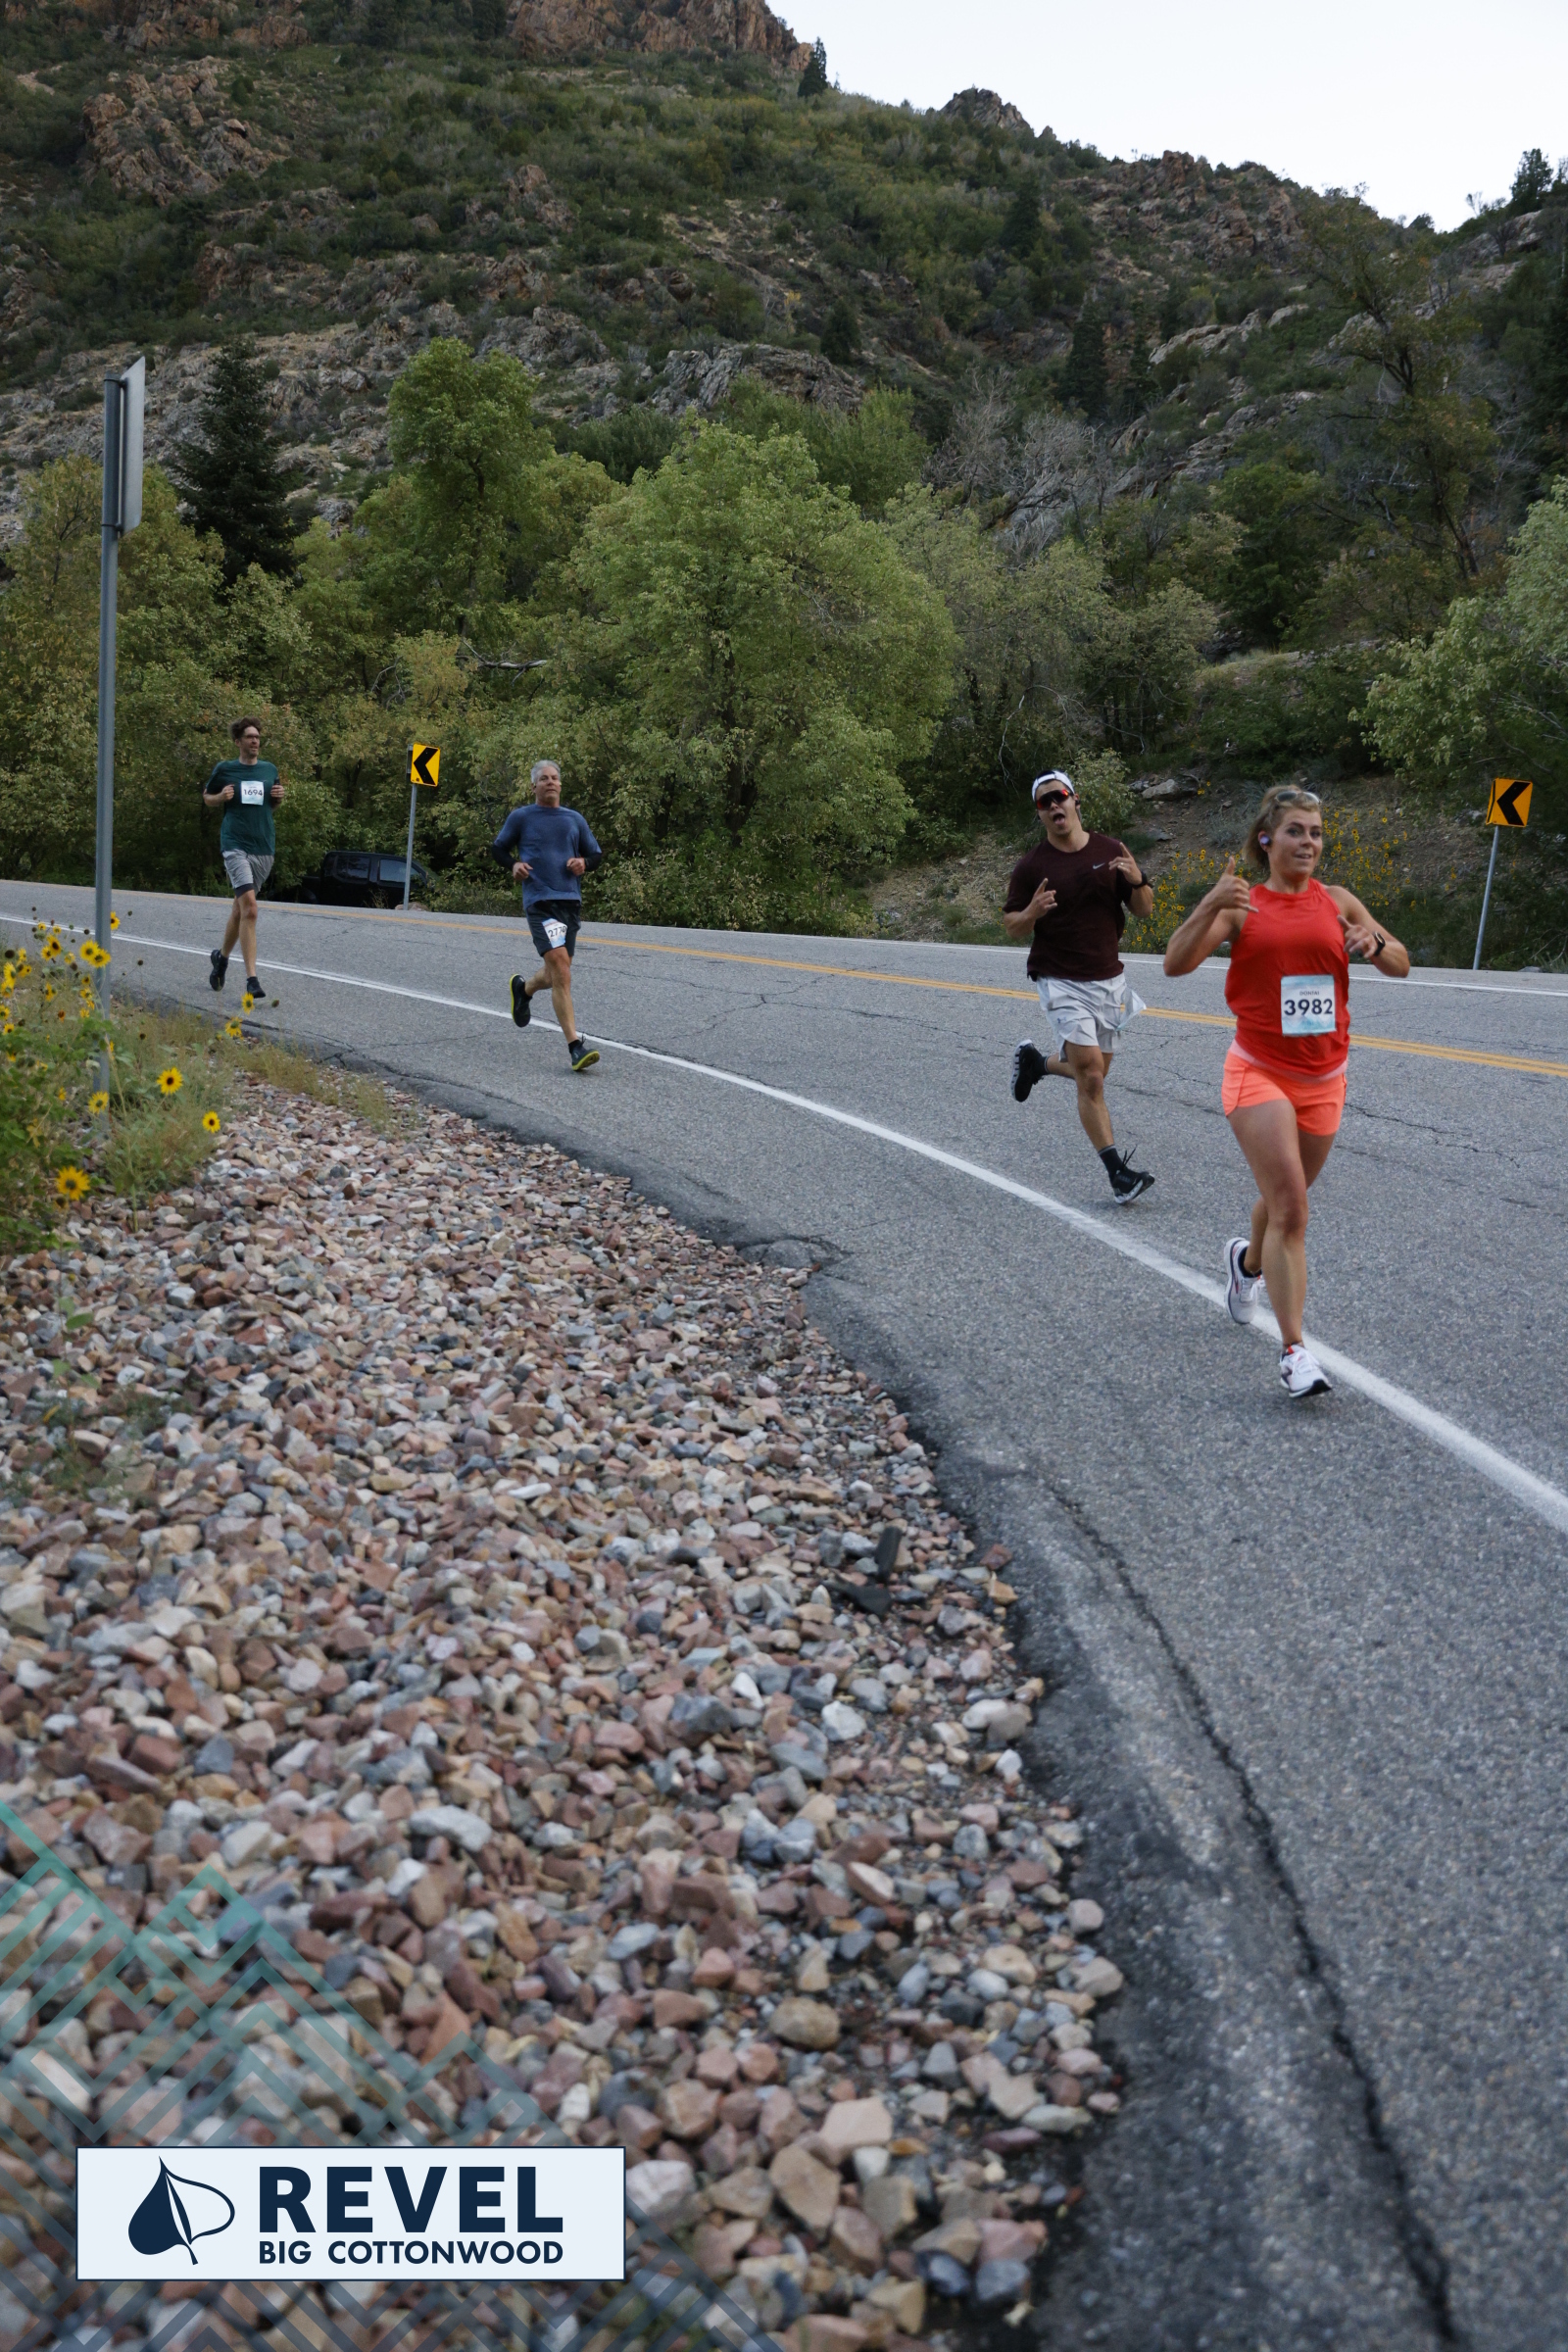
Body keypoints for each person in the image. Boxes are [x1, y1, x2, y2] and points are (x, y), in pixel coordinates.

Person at [1162, 784, 1410, 1398]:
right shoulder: (1242, 904)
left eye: (1316, 833)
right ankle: (1295, 1351)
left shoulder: (1339, 901)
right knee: (1293, 1209)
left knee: (1281, 1202)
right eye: (1296, 831)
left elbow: (1401, 962)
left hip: (1325, 1078)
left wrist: (1374, 944)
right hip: (1259, 1072)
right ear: (1267, 839)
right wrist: (1209, 902)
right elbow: (1174, 963)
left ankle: (1246, 1263)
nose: (1308, 842)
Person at [1004, 769, 1156, 1204]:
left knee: (1096, 1073)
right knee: (1090, 1076)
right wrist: (1031, 912)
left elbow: (1145, 910)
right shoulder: (1032, 866)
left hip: (1109, 979)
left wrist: (1137, 879)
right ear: (1040, 813)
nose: (1054, 805)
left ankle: (1036, 1063)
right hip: (1060, 979)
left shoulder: (1111, 851)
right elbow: (1012, 926)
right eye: (1044, 802)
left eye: (1060, 796)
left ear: (1075, 800)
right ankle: (1118, 1175)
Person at [490, 759, 603, 1073]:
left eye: (554, 778)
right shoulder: (522, 817)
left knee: (555, 975)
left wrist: (584, 863)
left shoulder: (574, 819)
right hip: (540, 902)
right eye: (544, 778)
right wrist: (513, 864)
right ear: (534, 786)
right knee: (562, 971)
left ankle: (523, 990)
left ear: (560, 784)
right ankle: (575, 1047)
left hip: (570, 903)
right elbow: (498, 849)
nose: (550, 782)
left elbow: (595, 854)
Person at [204, 716, 284, 1004]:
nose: (255, 741)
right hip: (235, 845)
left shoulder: (269, 770)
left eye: (257, 737)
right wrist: (220, 797)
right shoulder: (225, 769)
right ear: (238, 742)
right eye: (250, 737)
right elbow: (207, 797)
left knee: (240, 910)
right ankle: (252, 980)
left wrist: (278, 796)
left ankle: (221, 959)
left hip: (263, 847)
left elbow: (270, 805)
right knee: (250, 908)